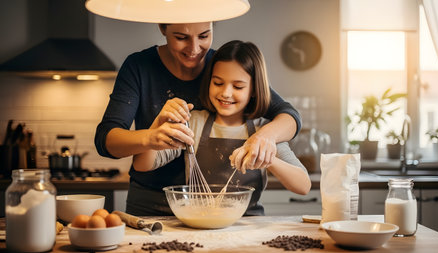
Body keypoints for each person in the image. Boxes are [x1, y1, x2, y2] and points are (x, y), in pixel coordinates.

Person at [95, 23, 302, 215]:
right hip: (154, 206)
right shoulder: (141, 68)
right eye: (181, 37)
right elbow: (112, 142)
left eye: (204, 35)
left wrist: (264, 138)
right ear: (162, 28)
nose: (194, 48)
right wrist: (151, 135)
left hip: (221, 216)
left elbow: (287, 114)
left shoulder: (223, 63)